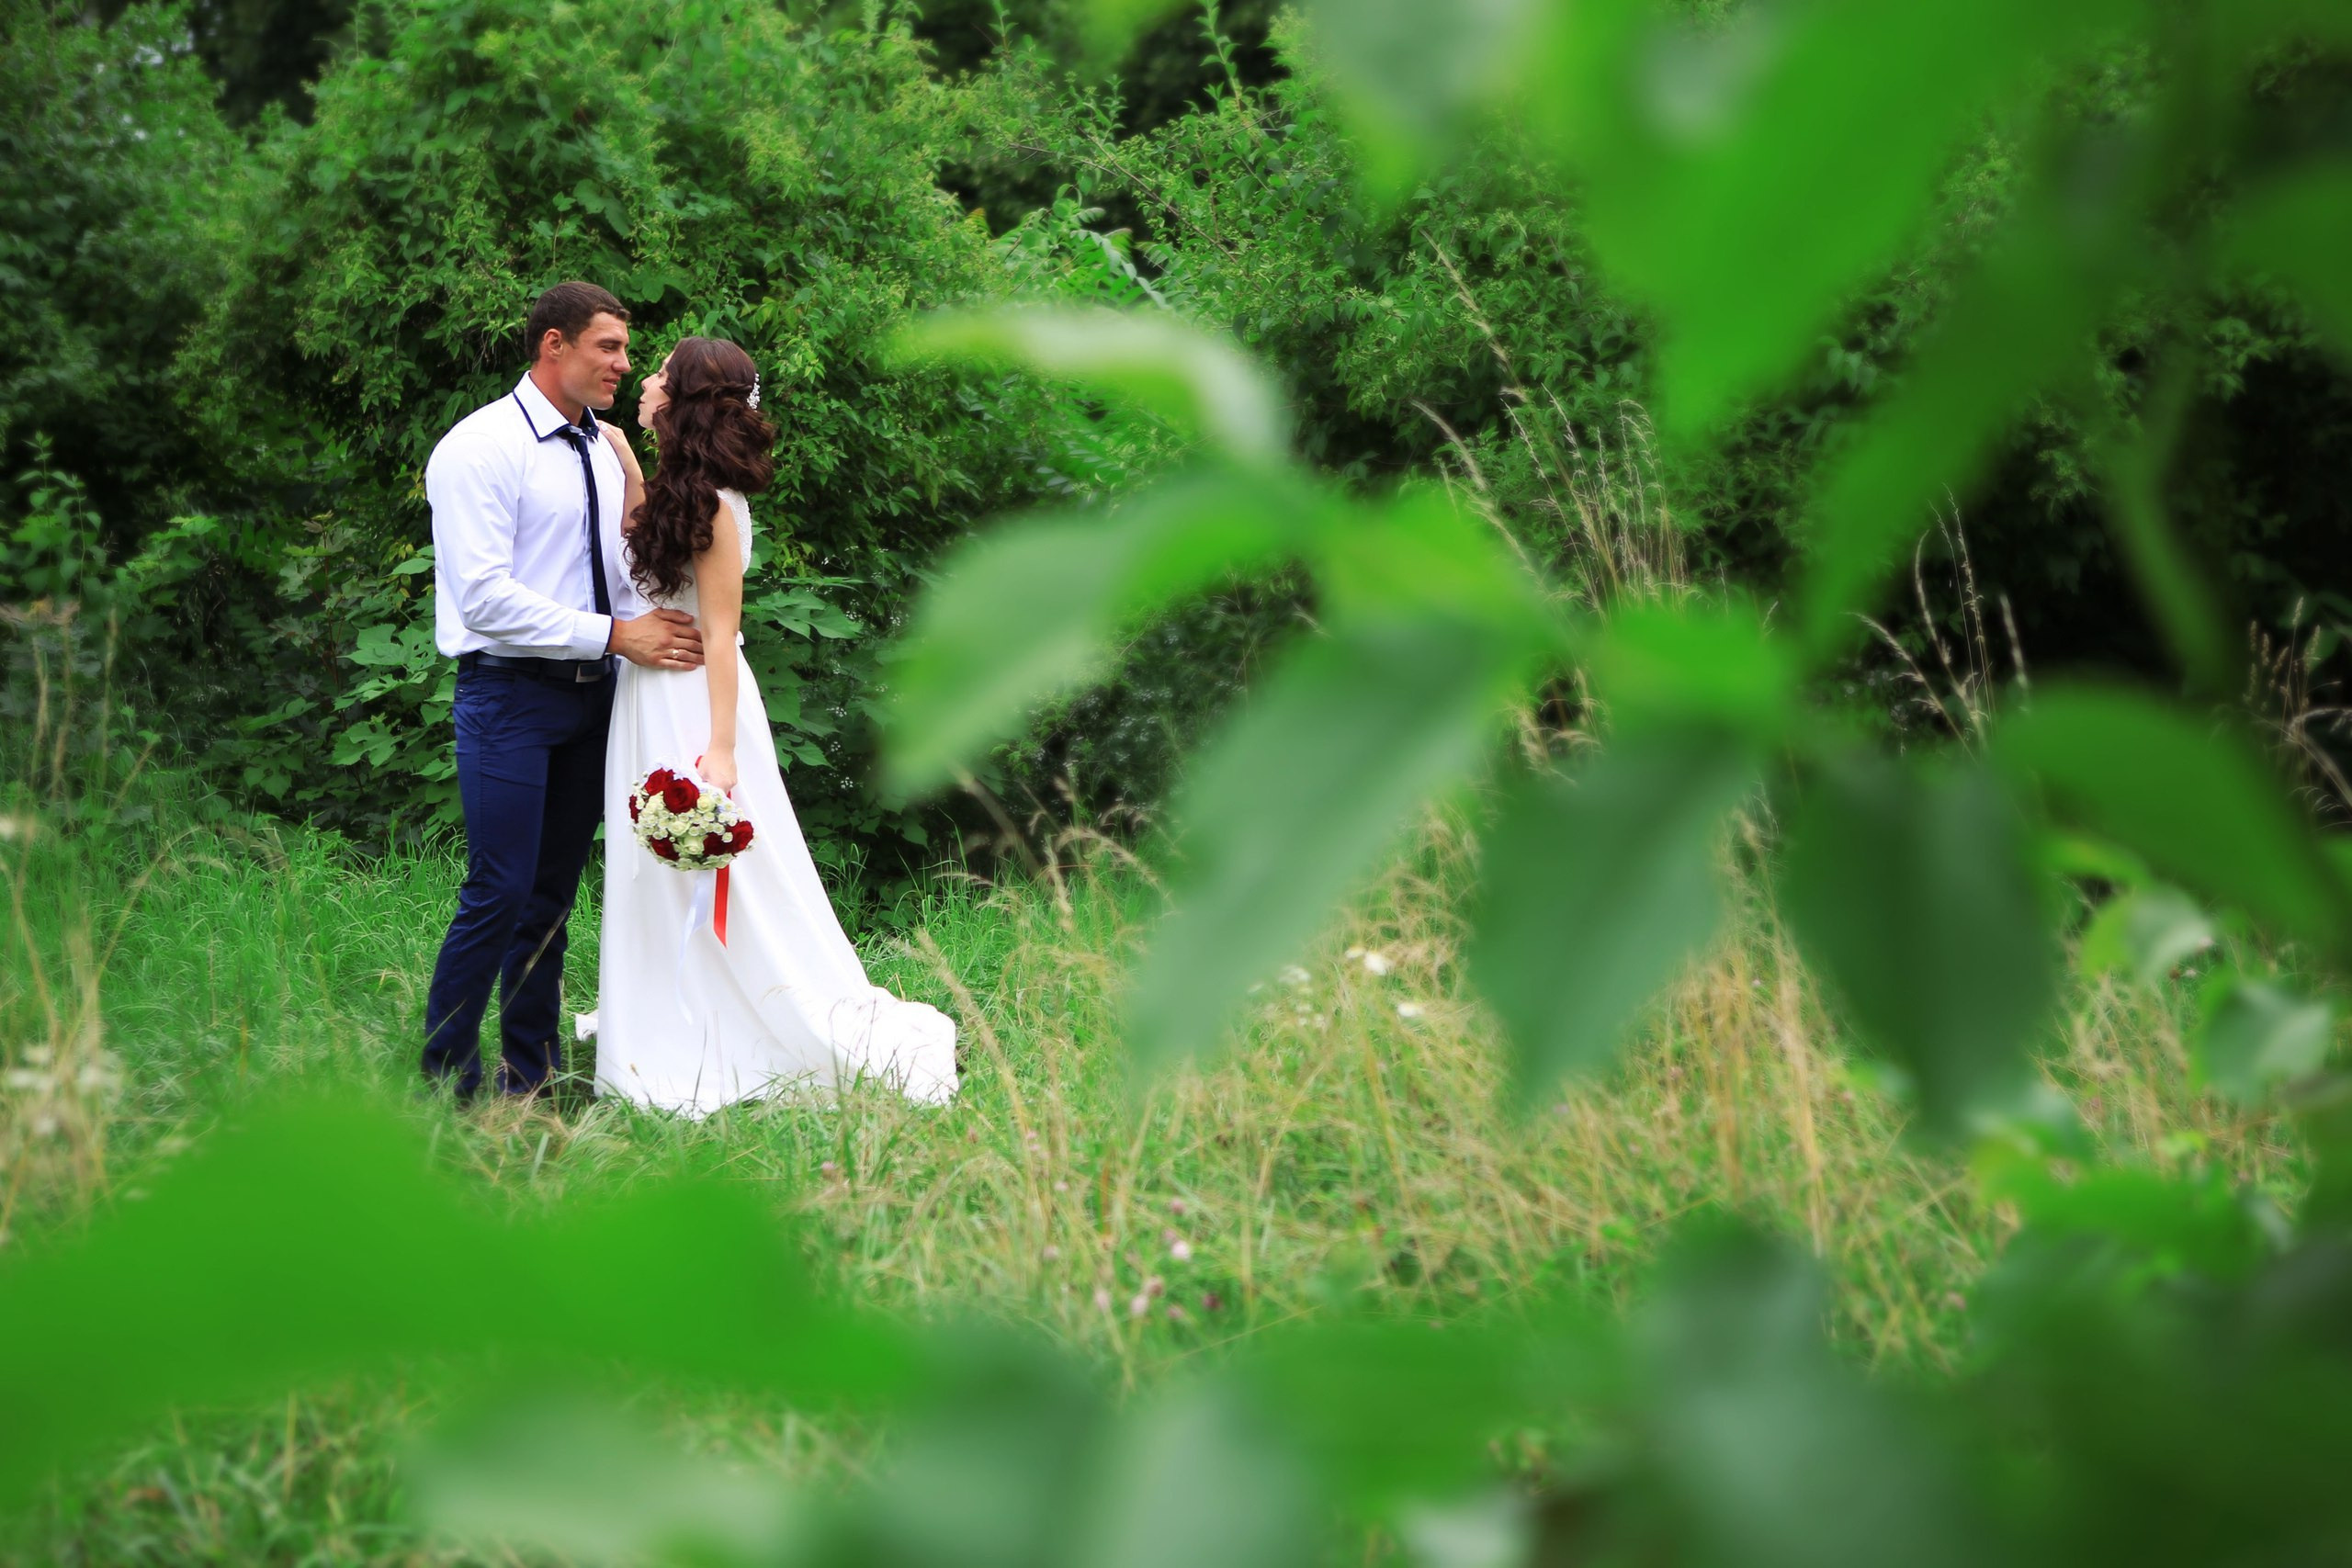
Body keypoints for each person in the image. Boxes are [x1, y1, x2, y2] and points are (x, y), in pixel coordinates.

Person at [588, 335, 957, 1113]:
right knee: (648, 866)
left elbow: (721, 631)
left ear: (683, 398)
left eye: (658, 374)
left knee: (732, 876)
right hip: (644, 695)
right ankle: (664, 1020)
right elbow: (639, 566)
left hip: (699, 700)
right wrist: (626, 465)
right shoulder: (674, 489)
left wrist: (719, 752)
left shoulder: (719, 503)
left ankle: (750, 1024)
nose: (644, 380)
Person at [420, 281, 706, 1102]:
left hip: (597, 702)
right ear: (554, 345)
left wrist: (663, 634)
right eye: (608, 347)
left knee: (550, 893)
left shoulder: (605, 449)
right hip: (509, 697)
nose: (623, 363)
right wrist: (622, 635)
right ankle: (447, 1080)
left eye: (623, 349)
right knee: (499, 887)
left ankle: (530, 1076)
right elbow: (484, 600)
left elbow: (620, 577)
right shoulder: (478, 449)